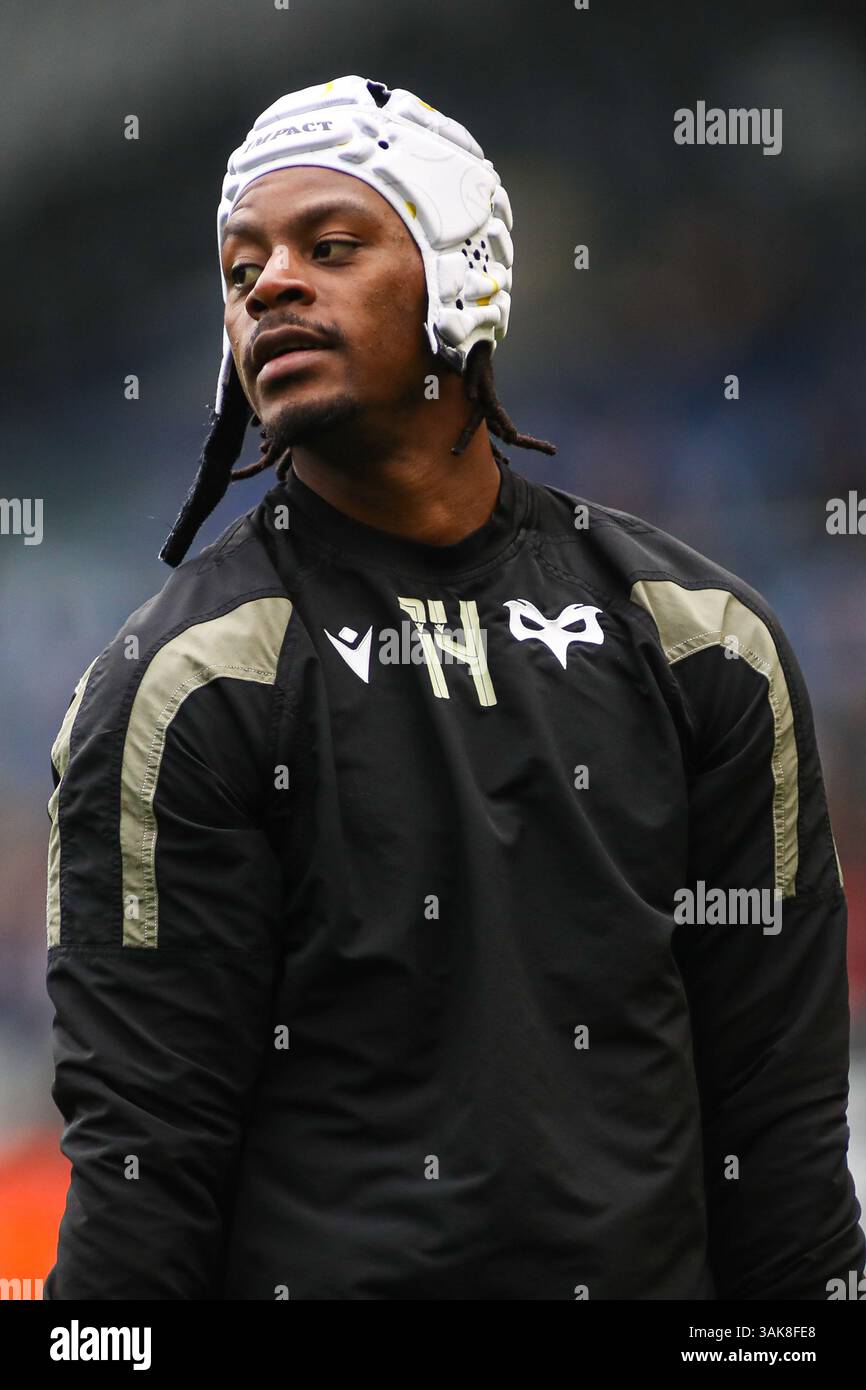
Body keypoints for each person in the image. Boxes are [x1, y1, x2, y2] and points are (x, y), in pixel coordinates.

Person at [44, 74, 864, 1300]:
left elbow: (784, 1140)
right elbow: (139, 1187)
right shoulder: (185, 685)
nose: (266, 285)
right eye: (239, 266)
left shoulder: (702, 642)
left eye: (330, 246)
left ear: (460, 274)